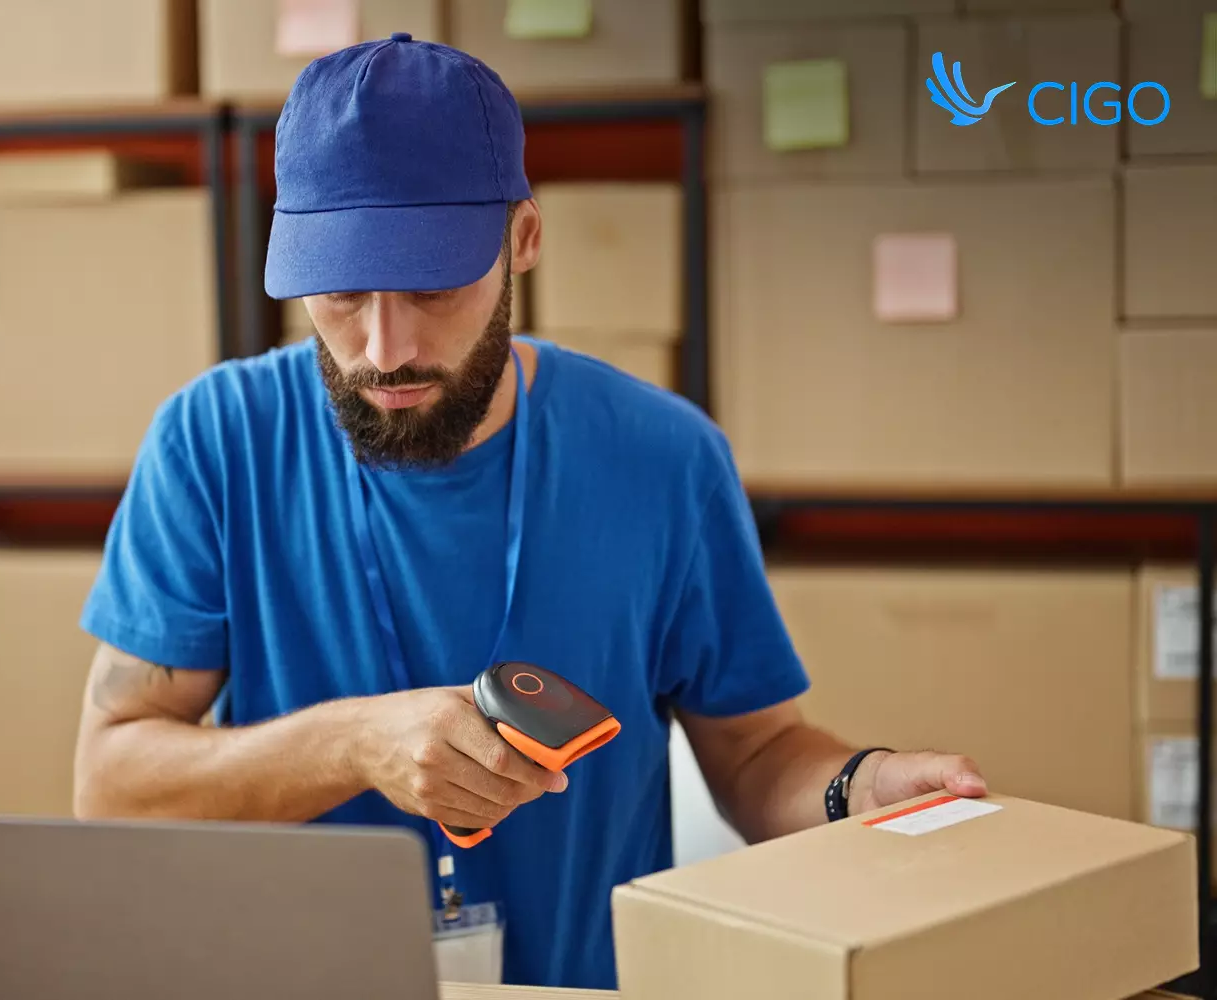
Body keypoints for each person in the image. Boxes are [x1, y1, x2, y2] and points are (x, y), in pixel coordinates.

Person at [71, 34, 988, 991]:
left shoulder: (664, 457)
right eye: (340, 292)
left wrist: (862, 788)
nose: (385, 349)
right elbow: (111, 787)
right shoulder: (213, 442)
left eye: (431, 283)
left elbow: (755, 754)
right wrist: (354, 745)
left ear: (524, 239)